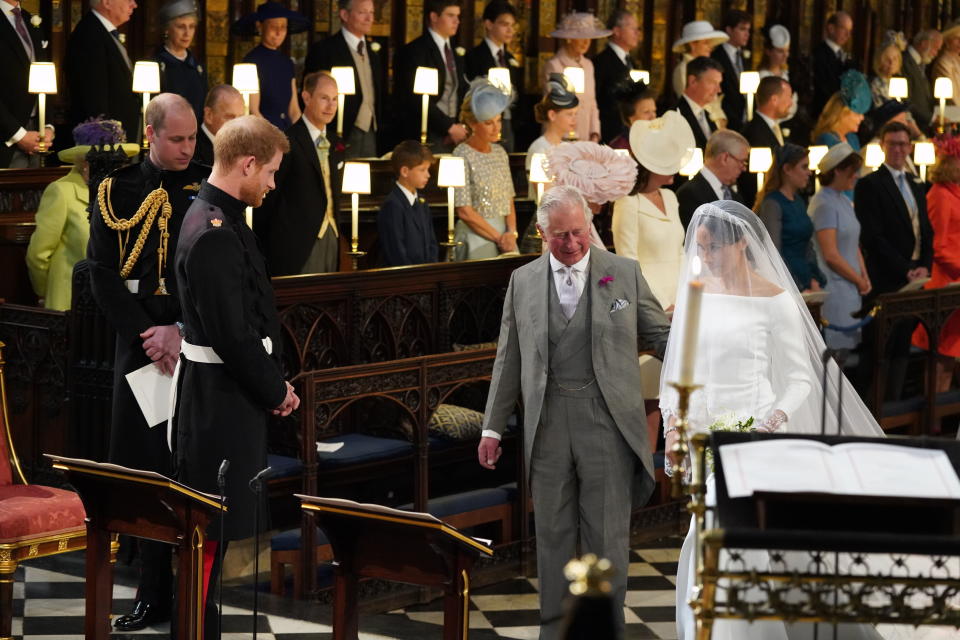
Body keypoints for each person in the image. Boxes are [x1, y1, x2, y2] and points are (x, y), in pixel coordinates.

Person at [662, 200, 885, 640]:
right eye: (701, 249)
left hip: (756, 436)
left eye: (713, 250)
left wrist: (770, 422)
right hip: (703, 435)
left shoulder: (775, 300)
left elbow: (800, 378)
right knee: (706, 536)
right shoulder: (696, 292)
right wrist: (673, 426)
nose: (705, 258)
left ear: (742, 243)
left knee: (726, 536)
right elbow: (679, 371)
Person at [478, 184, 670, 640]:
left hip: (607, 421)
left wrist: (701, 368)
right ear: (541, 234)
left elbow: (662, 336)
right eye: (560, 235)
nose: (572, 243)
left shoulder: (622, 273)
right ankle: (555, 629)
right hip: (546, 423)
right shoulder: (521, 281)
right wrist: (491, 428)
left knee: (606, 537)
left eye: (579, 232)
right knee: (553, 535)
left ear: (590, 225)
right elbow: (509, 359)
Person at [86, 93, 209, 632]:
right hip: (138, 346)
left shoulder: (208, 186)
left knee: (186, 469)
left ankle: (187, 592)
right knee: (142, 470)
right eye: (177, 138)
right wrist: (147, 334)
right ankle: (149, 592)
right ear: (151, 133)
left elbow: (208, 274)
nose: (187, 148)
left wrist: (178, 331)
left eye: (193, 138)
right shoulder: (117, 188)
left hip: (192, 344)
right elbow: (101, 273)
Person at [172, 114, 298, 640]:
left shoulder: (221, 216)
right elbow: (231, 335)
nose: (271, 183)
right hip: (219, 400)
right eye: (268, 172)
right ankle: (195, 631)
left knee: (219, 535)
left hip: (228, 394)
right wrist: (275, 390)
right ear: (246, 163)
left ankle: (204, 626)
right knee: (209, 531)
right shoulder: (214, 232)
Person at [612, 111, 694, 449]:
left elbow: (682, 251)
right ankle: (646, 478)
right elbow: (627, 262)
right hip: (651, 307)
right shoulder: (627, 203)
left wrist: (688, 297)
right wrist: (657, 308)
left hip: (681, 300)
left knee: (681, 392)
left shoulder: (672, 199)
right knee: (650, 395)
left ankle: (678, 476)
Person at [856, 121, 933, 399]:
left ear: (910, 147)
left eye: (903, 144)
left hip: (915, 278)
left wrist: (924, 264)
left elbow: (925, 229)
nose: (899, 149)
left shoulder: (916, 183)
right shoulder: (870, 184)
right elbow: (874, 238)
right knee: (881, 350)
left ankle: (895, 406)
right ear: (882, 146)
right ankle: (875, 411)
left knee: (903, 344)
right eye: (893, 144)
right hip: (887, 279)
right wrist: (906, 268)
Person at [26, 118, 138, 311]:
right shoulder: (61, 191)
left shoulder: (124, 193)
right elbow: (38, 255)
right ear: (85, 162)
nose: (115, 168)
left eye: (119, 161)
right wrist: (46, 291)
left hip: (115, 305)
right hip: (69, 302)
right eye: (105, 162)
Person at [255, 71, 343, 275]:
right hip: (295, 243)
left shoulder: (337, 143)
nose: (331, 106)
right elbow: (270, 198)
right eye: (324, 98)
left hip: (332, 235)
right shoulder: (288, 141)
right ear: (306, 97)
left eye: (335, 99)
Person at [303, 0, 383, 158]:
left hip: (371, 132)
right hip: (338, 130)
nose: (369, 18)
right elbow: (312, 93)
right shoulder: (325, 50)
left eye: (372, 13)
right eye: (362, 13)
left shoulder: (374, 54)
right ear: (344, 15)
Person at [811, 143, 869, 351]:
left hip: (851, 284)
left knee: (843, 356)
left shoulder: (843, 200)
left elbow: (854, 242)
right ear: (837, 170)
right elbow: (831, 255)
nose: (856, 176)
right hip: (836, 288)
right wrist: (858, 279)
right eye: (853, 172)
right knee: (834, 357)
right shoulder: (823, 204)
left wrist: (864, 275)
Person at [913, 136, 960, 391]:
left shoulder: (954, 192)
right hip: (945, 281)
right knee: (941, 354)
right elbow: (938, 245)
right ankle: (933, 421)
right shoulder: (940, 195)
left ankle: (941, 421)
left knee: (949, 355)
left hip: (956, 281)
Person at [452, 80, 516, 260]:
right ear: (472, 123)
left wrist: (511, 233)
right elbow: (464, 211)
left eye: (499, 120)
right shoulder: (461, 154)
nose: (497, 128)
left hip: (505, 237)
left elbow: (509, 200)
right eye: (489, 123)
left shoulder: (500, 152)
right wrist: (499, 238)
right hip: (475, 235)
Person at [395, 0, 467, 153]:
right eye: (450, 15)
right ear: (434, 17)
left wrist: (459, 126)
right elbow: (414, 97)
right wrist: (448, 127)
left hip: (456, 132)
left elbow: (458, 90)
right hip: (426, 131)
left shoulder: (456, 52)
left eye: (458, 16)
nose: (457, 21)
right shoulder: (416, 51)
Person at [65, 0, 140, 143]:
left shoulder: (103, 32)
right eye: (128, 0)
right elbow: (93, 97)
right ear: (106, 2)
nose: (134, 4)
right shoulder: (90, 35)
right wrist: (106, 140)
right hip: (103, 142)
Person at [755, 144, 826, 293]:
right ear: (787, 169)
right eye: (804, 167)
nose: (809, 173)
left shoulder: (798, 201)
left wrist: (814, 278)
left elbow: (808, 246)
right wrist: (797, 287)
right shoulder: (772, 203)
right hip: (788, 283)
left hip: (805, 279)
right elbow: (774, 253)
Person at [234, 1, 308, 130]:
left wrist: (302, 136)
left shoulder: (287, 62)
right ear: (260, 27)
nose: (279, 32)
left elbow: (294, 109)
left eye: (283, 27)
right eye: (274, 27)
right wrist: (273, 136)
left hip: (287, 130)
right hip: (263, 132)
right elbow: (252, 110)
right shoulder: (251, 61)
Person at [0, 0, 52, 168]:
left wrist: (47, 126)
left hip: (37, 132)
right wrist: (18, 134)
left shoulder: (30, 19)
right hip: (6, 136)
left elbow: (45, 73)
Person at [543, 12, 610, 143]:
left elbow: (592, 103)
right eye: (581, 37)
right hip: (561, 136)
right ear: (569, 38)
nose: (586, 42)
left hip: (586, 136)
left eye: (589, 38)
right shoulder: (554, 65)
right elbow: (555, 105)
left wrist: (595, 132)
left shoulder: (588, 65)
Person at [464, 1, 519, 152]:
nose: (510, 30)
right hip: (483, 124)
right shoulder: (474, 56)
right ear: (488, 24)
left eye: (512, 25)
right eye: (504, 24)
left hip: (507, 123)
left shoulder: (510, 59)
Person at [377, 140, 438, 266]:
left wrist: (431, 270)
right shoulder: (393, 205)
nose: (428, 175)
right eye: (422, 170)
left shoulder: (422, 202)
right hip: (406, 278)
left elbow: (432, 243)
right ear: (405, 171)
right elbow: (396, 251)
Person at [676, 129, 748, 229]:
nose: (744, 168)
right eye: (742, 161)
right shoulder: (688, 194)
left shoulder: (735, 197)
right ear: (725, 158)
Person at [738, 75, 792, 206]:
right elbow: (751, 179)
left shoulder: (775, 127)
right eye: (788, 98)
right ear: (774, 100)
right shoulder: (753, 132)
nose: (791, 103)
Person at [524, 73, 578, 199]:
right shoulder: (539, 149)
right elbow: (545, 195)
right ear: (552, 115)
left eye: (576, 114)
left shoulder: (566, 147)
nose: (574, 119)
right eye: (569, 114)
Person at [154, 0, 205, 123]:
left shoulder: (198, 67)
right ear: (167, 29)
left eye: (191, 26)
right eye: (181, 26)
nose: (187, 33)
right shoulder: (155, 64)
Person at [670, 21, 728, 128]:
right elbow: (692, 101)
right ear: (693, 44)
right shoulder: (683, 69)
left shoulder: (711, 70)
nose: (710, 47)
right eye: (706, 43)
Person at [595, 9, 640, 143]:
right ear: (616, 31)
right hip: (609, 134)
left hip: (630, 132)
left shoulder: (632, 63)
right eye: (633, 28)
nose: (637, 33)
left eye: (638, 29)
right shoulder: (601, 62)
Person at [710, 9, 751, 133]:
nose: (747, 34)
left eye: (748, 30)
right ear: (729, 30)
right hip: (727, 119)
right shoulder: (717, 56)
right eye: (742, 29)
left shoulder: (743, 56)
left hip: (743, 118)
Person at [812, 10, 857, 116]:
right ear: (831, 28)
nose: (847, 35)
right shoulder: (819, 54)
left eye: (849, 31)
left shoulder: (847, 57)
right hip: (826, 111)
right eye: (844, 29)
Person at [813, 69, 871, 152]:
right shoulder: (826, 140)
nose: (862, 117)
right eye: (857, 114)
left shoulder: (853, 139)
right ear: (842, 113)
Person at [676, 56, 724, 150]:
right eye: (713, 83)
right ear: (693, 81)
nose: (718, 90)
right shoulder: (676, 115)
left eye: (719, 84)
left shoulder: (707, 115)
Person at [756, 24, 798, 126]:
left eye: (787, 51)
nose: (785, 55)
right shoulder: (761, 76)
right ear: (768, 51)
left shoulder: (787, 75)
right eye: (780, 51)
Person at [194, 84, 245, 166]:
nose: (237, 125)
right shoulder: (192, 149)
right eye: (229, 117)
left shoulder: (245, 145)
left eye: (240, 117)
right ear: (209, 115)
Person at [903, 29, 942, 133]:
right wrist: (932, 118)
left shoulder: (920, 64)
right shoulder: (905, 62)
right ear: (924, 44)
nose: (936, 54)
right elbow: (906, 100)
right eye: (935, 49)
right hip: (911, 128)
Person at [607, 78, 656, 150]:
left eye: (654, 111)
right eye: (646, 112)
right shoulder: (619, 147)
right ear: (630, 117)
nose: (653, 117)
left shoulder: (657, 141)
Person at [932, 22, 960, 107]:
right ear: (947, 41)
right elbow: (951, 97)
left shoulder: (957, 59)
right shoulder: (943, 62)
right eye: (957, 38)